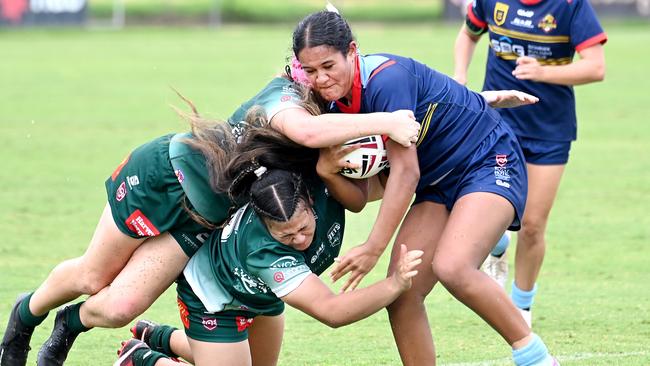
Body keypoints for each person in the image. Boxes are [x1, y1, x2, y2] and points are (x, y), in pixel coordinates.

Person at [0, 75, 420, 366]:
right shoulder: (287, 105)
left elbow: (373, 185)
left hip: (205, 219)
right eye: (312, 69)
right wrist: (388, 121)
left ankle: (70, 323)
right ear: (297, 70)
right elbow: (312, 132)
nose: (322, 78)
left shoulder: (317, 159)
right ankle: (25, 317)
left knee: (120, 307)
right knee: (93, 277)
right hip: (165, 177)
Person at [292, 10, 558, 366]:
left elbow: (406, 173)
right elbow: (361, 198)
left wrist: (374, 246)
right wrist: (329, 172)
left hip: (486, 157)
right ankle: (484, 231)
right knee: (402, 290)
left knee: (453, 266)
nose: (321, 79)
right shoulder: (329, 104)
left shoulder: (386, 81)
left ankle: (537, 358)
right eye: (310, 71)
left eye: (328, 65)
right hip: (438, 182)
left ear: (352, 51)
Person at [112, 126, 424, 366]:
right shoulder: (265, 252)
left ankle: (160, 337)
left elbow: (382, 181)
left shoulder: (320, 185)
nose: (299, 240)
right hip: (214, 301)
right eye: (286, 236)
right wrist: (394, 285)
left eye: (303, 228)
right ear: (264, 223)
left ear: (311, 200)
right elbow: (332, 312)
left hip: (261, 296)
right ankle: (145, 358)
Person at [454, 0, 607, 325]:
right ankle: (497, 243)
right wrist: (460, 78)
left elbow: (596, 67)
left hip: (549, 130)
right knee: (483, 205)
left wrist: (543, 72)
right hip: (498, 120)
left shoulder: (571, 6)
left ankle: (521, 306)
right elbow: (468, 35)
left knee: (533, 225)